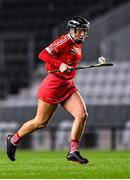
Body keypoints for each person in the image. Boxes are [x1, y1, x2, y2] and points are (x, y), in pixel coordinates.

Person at [6, 16, 90, 164]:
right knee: (40, 122)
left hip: (67, 85)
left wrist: (67, 68)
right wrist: (60, 65)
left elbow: (69, 59)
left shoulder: (78, 43)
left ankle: (73, 151)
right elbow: (43, 54)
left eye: (84, 31)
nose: (83, 34)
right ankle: (13, 140)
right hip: (53, 85)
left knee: (82, 115)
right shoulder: (65, 41)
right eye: (80, 31)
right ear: (71, 30)